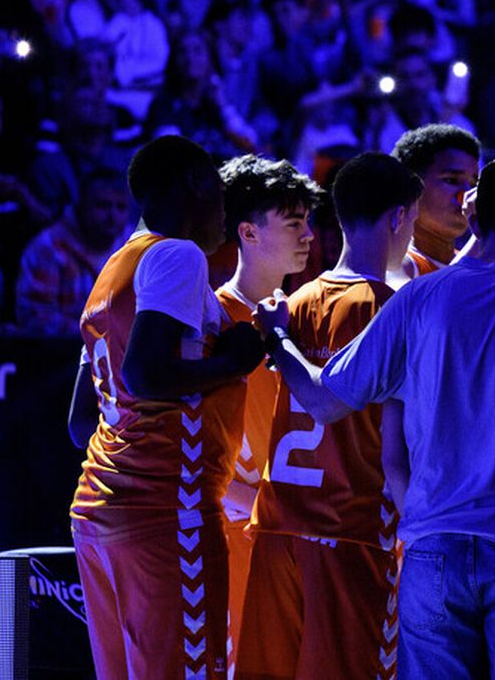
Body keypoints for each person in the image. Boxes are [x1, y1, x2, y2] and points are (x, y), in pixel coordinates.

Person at [257, 153, 495, 679]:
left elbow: (326, 400)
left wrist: (278, 337)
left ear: (473, 218)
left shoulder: (415, 300)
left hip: (432, 556)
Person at [68, 135, 268, 680]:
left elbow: (81, 421)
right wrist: (236, 361)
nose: (225, 216)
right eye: (221, 197)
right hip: (164, 510)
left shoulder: (114, 267)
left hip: (98, 508)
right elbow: (145, 373)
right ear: (194, 185)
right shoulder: (178, 254)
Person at [236, 152, 419, 680]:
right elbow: (395, 447)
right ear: (398, 219)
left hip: (278, 529)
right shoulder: (388, 307)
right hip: (352, 533)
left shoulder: (292, 303)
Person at [213, 154, 320, 662]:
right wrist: (247, 502)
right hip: (235, 533)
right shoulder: (212, 317)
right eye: (294, 222)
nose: (309, 235)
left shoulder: (300, 317)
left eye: (309, 221)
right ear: (249, 233)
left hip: (291, 533)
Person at [14, 169, 130, 335]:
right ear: (81, 207)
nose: (112, 216)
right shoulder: (50, 247)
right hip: (61, 352)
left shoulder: (134, 247)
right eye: (103, 206)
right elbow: (36, 316)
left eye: (121, 207)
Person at [391, 123, 481, 277]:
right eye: (452, 180)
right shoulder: (396, 265)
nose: (467, 194)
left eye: (473, 184)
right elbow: (436, 295)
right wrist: (484, 233)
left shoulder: (474, 263)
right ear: (412, 186)